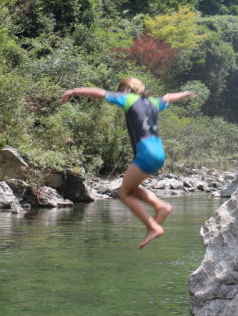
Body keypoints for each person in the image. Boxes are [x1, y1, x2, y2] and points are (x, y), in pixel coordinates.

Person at [60, 78, 197, 249]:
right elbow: (169, 97)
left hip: (146, 153)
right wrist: (185, 93)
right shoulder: (154, 102)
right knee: (132, 189)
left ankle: (153, 226)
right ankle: (160, 206)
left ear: (126, 90)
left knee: (124, 193)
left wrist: (73, 91)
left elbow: (99, 93)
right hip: (159, 155)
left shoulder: (127, 99)